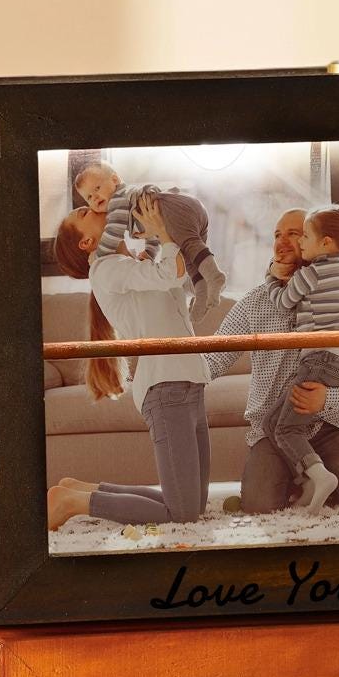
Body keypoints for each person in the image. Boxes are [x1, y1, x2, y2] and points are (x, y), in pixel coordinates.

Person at [46, 190, 212, 531]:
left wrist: (166, 234)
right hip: (166, 388)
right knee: (182, 514)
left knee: (192, 504)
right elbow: (171, 273)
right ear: (87, 242)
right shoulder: (107, 269)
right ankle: (75, 503)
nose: (95, 206)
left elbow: (181, 280)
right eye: (83, 211)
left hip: (189, 381)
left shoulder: (132, 263)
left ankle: (83, 490)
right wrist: (163, 233)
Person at [203, 209, 339, 515]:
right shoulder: (254, 301)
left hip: (327, 423)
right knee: (259, 506)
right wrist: (168, 373)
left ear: (314, 242)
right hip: (273, 429)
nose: (282, 241)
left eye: (293, 233)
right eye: (277, 234)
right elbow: (214, 357)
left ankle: (312, 480)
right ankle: (301, 480)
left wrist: (329, 398)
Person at [257, 205, 339, 510]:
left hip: (320, 361)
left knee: (285, 428)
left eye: (302, 235)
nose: (297, 242)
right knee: (270, 423)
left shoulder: (311, 273)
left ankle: (319, 476)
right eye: (277, 235)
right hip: (334, 363)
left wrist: (271, 277)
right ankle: (308, 478)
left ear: (325, 243)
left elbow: (283, 302)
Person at [72, 161, 227, 313]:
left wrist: (98, 255)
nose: (95, 197)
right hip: (187, 209)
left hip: (174, 208)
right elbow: (153, 234)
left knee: (190, 246)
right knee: (190, 259)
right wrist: (150, 252)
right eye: (89, 197)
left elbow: (113, 232)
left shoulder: (117, 199)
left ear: (115, 180)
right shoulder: (131, 204)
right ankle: (202, 293)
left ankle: (215, 276)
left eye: (97, 188)